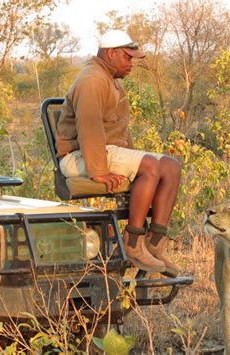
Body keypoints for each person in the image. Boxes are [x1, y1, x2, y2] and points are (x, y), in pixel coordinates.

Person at [56, 29, 181, 276]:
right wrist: (99, 171)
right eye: (128, 57)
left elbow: (119, 133)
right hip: (78, 157)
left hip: (104, 151)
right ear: (111, 53)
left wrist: (135, 161)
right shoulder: (93, 80)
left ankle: (154, 243)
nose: (131, 63)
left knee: (170, 166)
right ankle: (133, 243)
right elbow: (88, 129)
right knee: (150, 167)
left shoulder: (110, 79)